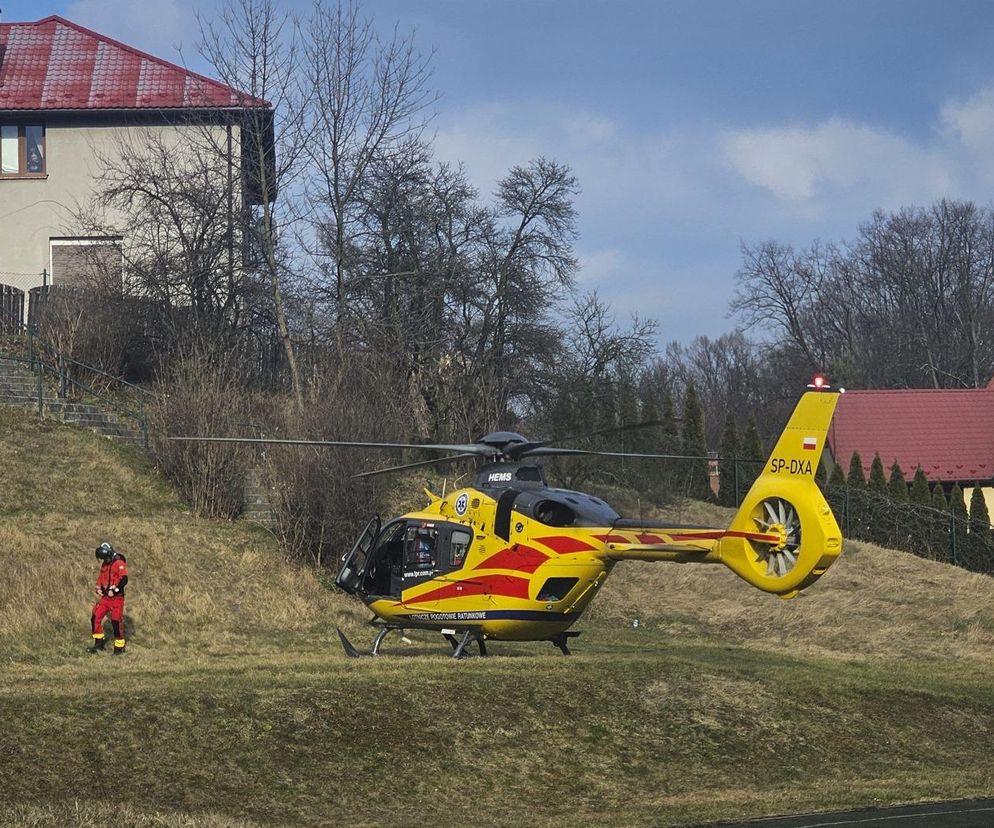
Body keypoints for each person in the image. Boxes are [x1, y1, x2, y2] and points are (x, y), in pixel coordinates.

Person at [88, 542, 128, 655]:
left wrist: (114, 590)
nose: (103, 560)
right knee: (95, 617)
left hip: (117, 598)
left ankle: (119, 648)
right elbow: (102, 577)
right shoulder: (105, 563)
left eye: (104, 558)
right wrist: (98, 588)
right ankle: (98, 644)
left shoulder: (119, 563)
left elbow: (124, 579)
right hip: (105, 598)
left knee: (116, 621)